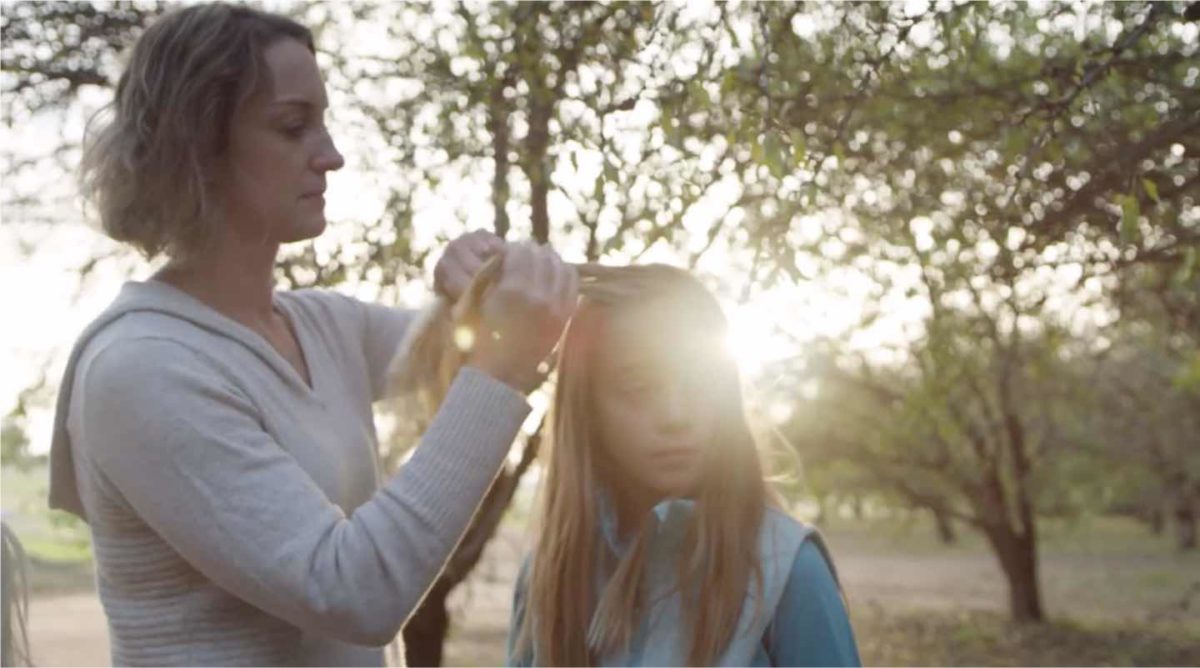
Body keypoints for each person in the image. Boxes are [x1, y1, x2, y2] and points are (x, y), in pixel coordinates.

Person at [46, 4, 578, 666]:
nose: (331, 156)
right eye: (294, 126)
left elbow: (467, 346)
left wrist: (475, 280)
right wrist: (498, 369)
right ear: (198, 146)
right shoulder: (142, 367)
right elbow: (352, 591)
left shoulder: (325, 324)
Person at [390, 262, 861, 666]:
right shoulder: (549, 580)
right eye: (637, 388)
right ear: (587, 409)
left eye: (700, 383)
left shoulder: (785, 571)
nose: (676, 416)